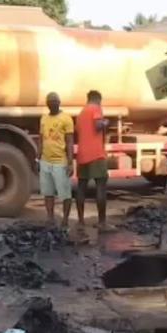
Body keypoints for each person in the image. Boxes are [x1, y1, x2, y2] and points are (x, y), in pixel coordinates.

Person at [38, 92, 74, 227]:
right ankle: (50, 218)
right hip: (45, 161)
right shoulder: (43, 119)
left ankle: (65, 219)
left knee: (65, 194)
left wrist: (70, 163)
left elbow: (70, 142)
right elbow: (41, 140)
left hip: (60, 162)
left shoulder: (66, 119)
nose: (52, 103)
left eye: (54, 101)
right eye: (49, 101)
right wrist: (38, 158)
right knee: (48, 193)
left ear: (59, 102)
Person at [75, 90, 109, 230]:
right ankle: (102, 222)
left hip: (82, 155)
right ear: (98, 99)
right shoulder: (96, 108)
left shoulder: (81, 113)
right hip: (96, 155)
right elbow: (97, 125)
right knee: (101, 186)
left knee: (81, 188)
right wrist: (105, 122)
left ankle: (81, 221)